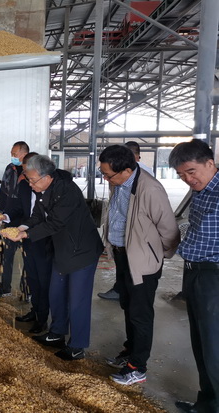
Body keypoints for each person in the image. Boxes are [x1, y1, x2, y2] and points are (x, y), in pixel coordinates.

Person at [1, 155, 103, 361]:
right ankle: (57, 333)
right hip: (62, 250)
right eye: (29, 180)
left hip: (81, 251)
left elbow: (55, 223)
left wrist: (25, 235)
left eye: (32, 180)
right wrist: (20, 228)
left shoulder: (67, 191)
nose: (30, 184)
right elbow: (37, 216)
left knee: (78, 300)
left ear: (46, 177)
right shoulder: (44, 190)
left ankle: (77, 346)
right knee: (56, 293)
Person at [99, 145, 180, 385]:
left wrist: (154, 255)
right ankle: (130, 351)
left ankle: (138, 367)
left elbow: (169, 229)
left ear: (126, 170)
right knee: (128, 306)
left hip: (142, 261)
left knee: (140, 313)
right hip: (123, 255)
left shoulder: (150, 189)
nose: (106, 179)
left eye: (108, 175)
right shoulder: (119, 183)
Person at [168, 139, 219, 413]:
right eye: (181, 175)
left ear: (210, 163)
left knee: (214, 346)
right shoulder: (201, 191)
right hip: (195, 273)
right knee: (201, 343)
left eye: (191, 171)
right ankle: (208, 403)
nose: (188, 179)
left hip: (214, 277)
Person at [0, 153, 53, 335]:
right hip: (27, 237)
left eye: (28, 173)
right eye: (24, 172)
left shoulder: (50, 187)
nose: (26, 177)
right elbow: (18, 207)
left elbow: (49, 219)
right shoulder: (24, 185)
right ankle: (35, 310)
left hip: (45, 239)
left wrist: (26, 230)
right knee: (32, 278)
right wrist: (6, 217)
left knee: (44, 280)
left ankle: (42, 318)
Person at [99, 140, 156, 301]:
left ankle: (123, 291)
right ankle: (120, 290)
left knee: (138, 296)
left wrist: (156, 251)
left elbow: (163, 224)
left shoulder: (145, 181)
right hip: (119, 241)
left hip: (136, 244)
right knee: (123, 274)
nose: (106, 178)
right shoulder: (117, 178)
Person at [0, 141, 30, 297]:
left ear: (24, 154)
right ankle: (4, 288)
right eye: (11, 153)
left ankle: (27, 290)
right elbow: (3, 192)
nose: (12, 156)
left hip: (28, 220)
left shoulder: (32, 171)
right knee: (6, 255)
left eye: (15, 154)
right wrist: (0, 212)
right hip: (10, 218)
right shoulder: (10, 169)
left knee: (28, 257)